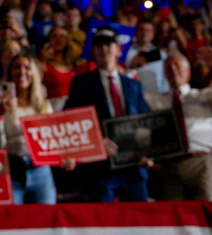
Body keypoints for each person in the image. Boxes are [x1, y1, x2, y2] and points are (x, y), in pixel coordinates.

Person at [147, 49, 212, 202]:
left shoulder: (205, 96)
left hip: (201, 163)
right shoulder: (154, 100)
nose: (172, 69)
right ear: (164, 74)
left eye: (177, 65)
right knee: (176, 219)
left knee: (206, 213)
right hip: (169, 167)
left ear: (188, 72)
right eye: (168, 67)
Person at [64, 27, 152, 203]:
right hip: (101, 167)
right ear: (93, 51)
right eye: (98, 45)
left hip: (134, 167)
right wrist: (96, 140)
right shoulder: (81, 83)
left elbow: (146, 122)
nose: (104, 48)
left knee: (142, 223)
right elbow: (71, 121)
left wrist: (149, 152)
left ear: (119, 50)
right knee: (103, 225)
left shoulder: (134, 85)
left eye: (109, 44)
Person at [0, 53, 63, 204]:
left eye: (27, 68)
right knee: (15, 223)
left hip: (41, 172)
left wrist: (63, 157)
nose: (22, 72)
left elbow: (51, 142)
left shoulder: (44, 105)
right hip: (11, 171)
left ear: (33, 74)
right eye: (17, 67)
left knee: (46, 221)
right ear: (10, 73)